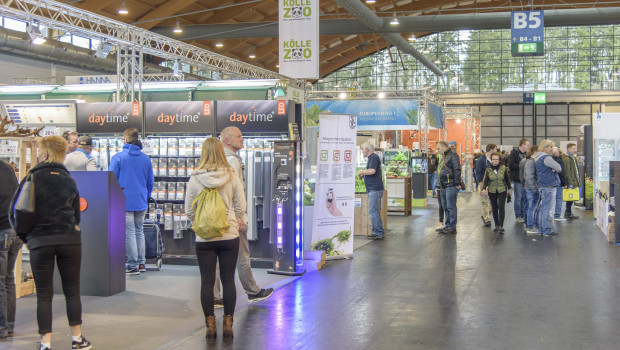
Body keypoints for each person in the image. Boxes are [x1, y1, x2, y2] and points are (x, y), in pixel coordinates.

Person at [9, 136, 92, 350]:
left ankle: (46, 343)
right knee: (72, 290)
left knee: (44, 294)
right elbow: (76, 216)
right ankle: (77, 339)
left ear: (45, 153)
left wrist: (26, 237)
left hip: (40, 241)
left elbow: (17, 212)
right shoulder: (69, 179)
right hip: (70, 241)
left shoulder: (31, 178)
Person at [185, 138, 246, 339]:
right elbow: (240, 205)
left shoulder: (194, 178)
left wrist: (201, 226)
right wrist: (237, 222)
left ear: (203, 153)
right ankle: (228, 324)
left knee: (207, 282)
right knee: (228, 279)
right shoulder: (232, 175)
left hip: (204, 238)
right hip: (229, 234)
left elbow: (189, 211)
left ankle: (210, 325)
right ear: (221, 152)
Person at [214, 127, 274, 306]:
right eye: (239, 137)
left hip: (218, 216)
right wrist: (241, 217)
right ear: (227, 141)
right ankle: (252, 291)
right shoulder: (231, 161)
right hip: (232, 217)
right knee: (242, 254)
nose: (243, 139)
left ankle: (215, 296)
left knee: (218, 256)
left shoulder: (219, 160)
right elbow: (236, 193)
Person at [109, 128, 154, 275]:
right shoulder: (146, 159)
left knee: (129, 233)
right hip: (141, 200)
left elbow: (111, 179)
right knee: (139, 231)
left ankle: (133, 265)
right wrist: (146, 195)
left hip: (124, 200)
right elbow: (150, 182)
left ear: (125, 139)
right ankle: (141, 263)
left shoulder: (119, 158)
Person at [0, 160, 21, 341]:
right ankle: (9, 326)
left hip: (2, 230)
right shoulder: (6, 167)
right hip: (15, 229)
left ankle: (1, 328)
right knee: (8, 279)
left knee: (1, 281)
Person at [534, 140, 562, 237]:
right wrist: (553, 169)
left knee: (542, 208)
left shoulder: (537, 157)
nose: (551, 148)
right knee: (547, 209)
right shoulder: (546, 158)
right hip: (548, 185)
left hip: (542, 185)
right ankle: (547, 230)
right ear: (545, 147)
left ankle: (541, 229)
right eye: (550, 146)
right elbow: (558, 168)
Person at [358, 143, 385, 239]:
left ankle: (377, 232)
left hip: (375, 189)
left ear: (366, 149)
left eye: (362, 150)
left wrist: (361, 172)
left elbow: (372, 171)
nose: (362, 152)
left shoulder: (373, 157)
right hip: (373, 189)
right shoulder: (372, 158)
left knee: (373, 211)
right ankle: (379, 231)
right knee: (374, 210)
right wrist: (364, 174)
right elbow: (371, 171)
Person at [481, 153, 513, 232]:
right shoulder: (488, 169)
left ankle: (501, 225)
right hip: (492, 190)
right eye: (494, 159)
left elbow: (507, 179)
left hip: (502, 190)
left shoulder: (503, 168)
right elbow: (485, 180)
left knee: (501, 206)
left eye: (497, 159)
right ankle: (496, 225)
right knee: (494, 208)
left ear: (499, 160)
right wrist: (483, 188)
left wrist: (510, 188)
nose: (495, 161)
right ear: (491, 160)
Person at [436, 141, 461, 234]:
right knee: (445, 207)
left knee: (451, 207)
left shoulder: (453, 155)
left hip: (450, 185)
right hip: (443, 186)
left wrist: (457, 183)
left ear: (444, 147)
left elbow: (457, 169)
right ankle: (447, 225)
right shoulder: (444, 156)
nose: (437, 150)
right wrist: (438, 185)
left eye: (438, 148)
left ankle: (452, 226)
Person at [475, 144, 498, 227]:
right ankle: (487, 219)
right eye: (495, 149)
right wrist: (480, 183)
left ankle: (485, 214)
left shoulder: (494, 159)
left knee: (494, 203)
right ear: (491, 150)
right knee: (484, 202)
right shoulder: (481, 159)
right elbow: (478, 172)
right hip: (484, 184)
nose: (496, 150)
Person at [508, 139, 530, 223]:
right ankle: (518, 215)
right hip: (517, 179)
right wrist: (522, 165)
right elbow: (511, 165)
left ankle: (523, 214)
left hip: (525, 179)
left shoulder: (526, 154)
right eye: (527, 145)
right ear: (522, 145)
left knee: (524, 198)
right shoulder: (514, 153)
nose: (528, 147)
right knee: (518, 198)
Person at [520, 145, 540, 234]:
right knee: (532, 207)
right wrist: (534, 188)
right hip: (531, 187)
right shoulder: (530, 162)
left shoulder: (527, 161)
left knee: (530, 206)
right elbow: (528, 177)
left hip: (528, 186)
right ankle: (531, 226)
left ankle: (530, 225)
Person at [562, 143, 580, 220]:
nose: (575, 150)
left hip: (575, 179)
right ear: (569, 149)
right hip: (571, 181)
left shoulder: (573, 157)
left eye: (575, 148)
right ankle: (568, 212)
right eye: (573, 149)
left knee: (572, 197)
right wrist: (570, 182)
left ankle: (568, 212)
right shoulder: (566, 158)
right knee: (570, 197)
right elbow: (567, 171)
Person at [552, 147, 567, 221]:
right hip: (559, 182)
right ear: (556, 152)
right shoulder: (559, 160)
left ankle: (552, 214)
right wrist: (564, 183)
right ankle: (557, 215)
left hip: (551, 182)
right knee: (559, 198)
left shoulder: (550, 159)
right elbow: (562, 172)